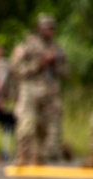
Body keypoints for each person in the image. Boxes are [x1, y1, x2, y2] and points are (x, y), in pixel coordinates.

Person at [10, 14, 68, 165]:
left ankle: (40, 155)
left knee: (47, 126)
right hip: (31, 90)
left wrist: (55, 63)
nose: (49, 31)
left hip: (50, 91)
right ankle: (23, 156)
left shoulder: (57, 48)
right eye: (46, 28)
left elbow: (66, 71)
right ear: (39, 28)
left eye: (52, 28)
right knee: (26, 124)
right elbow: (16, 70)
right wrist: (39, 64)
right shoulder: (27, 47)